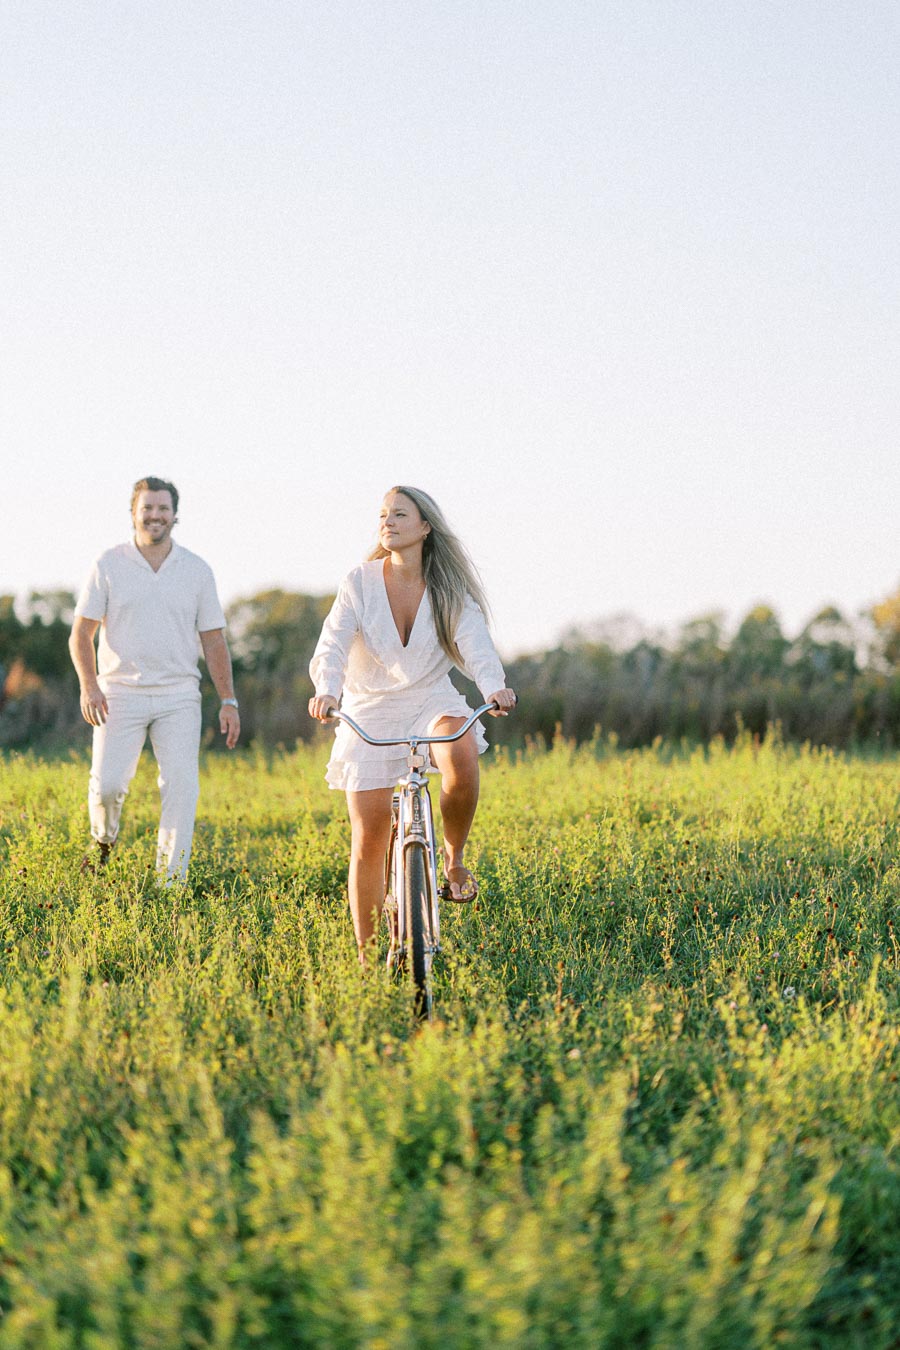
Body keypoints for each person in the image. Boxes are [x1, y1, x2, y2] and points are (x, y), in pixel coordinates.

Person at [308, 485, 516, 963]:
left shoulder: (449, 590)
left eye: (399, 514)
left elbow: (477, 645)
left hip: (429, 698)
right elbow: (333, 644)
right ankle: (365, 956)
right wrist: (327, 690)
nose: (388, 521)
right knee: (370, 835)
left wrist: (493, 688)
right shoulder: (358, 582)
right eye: (383, 514)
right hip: (367, 706)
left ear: (425, 527)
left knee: (459, 746)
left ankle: (454, 859)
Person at [69, 476, 240, 880]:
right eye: (147, 508)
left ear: (175, 515)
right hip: (117, 693)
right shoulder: (108, 563)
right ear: (133, 513)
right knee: (108, 786)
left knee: (181, 789)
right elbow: (81, 633)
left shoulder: (197, 570)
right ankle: (104, 840)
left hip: (179, 694)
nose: (155, 515)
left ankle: (170, 886)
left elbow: (214, 642)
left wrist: (228, 700)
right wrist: (89, 686)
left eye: (163, 508)